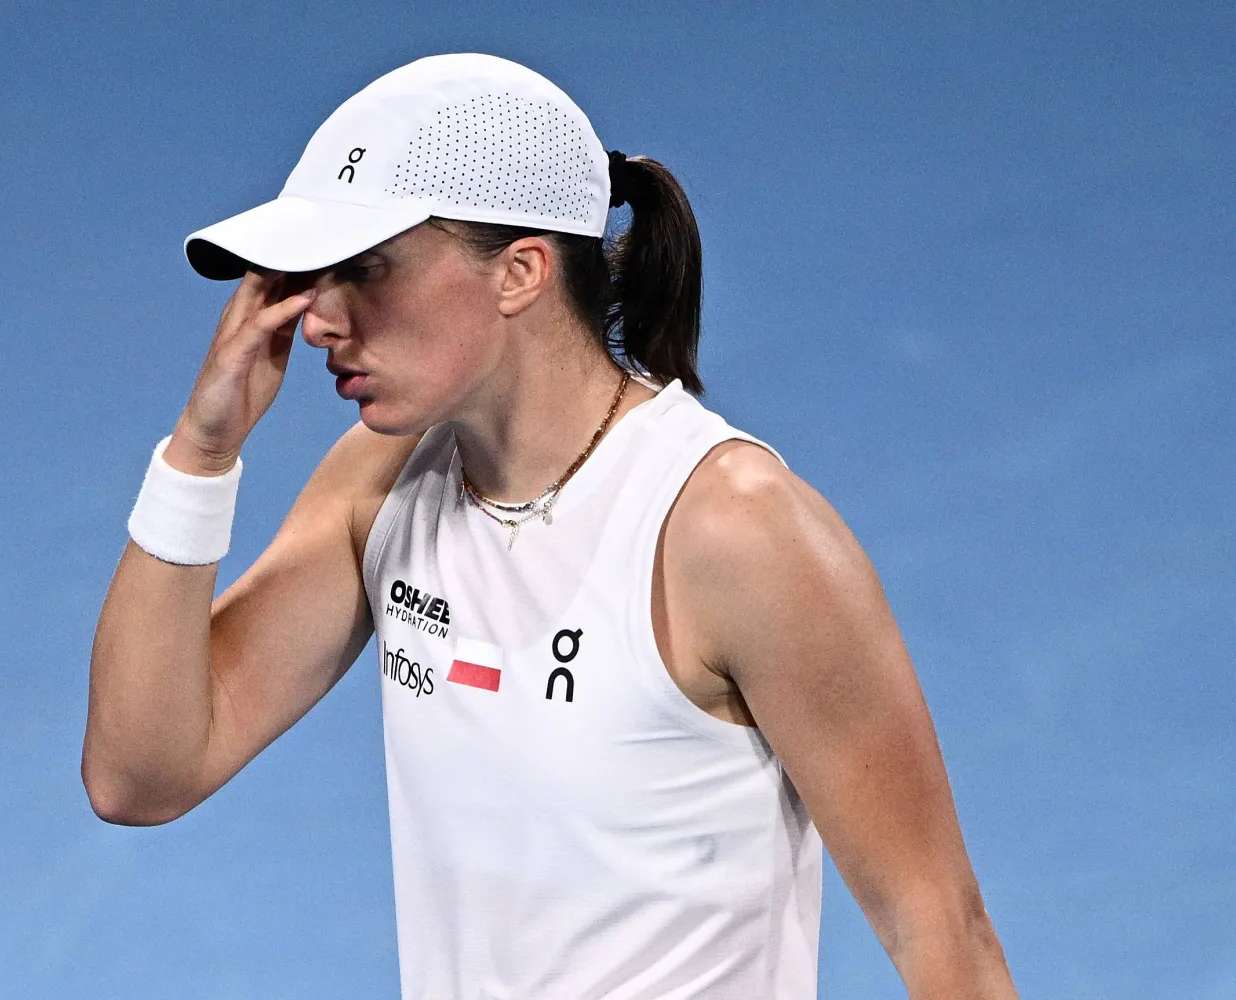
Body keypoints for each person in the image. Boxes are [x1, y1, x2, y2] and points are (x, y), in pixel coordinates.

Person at [82, 52, 1017, 999]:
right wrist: (201, 453)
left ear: (520, 272)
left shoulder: (731, 529)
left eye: (363, 269)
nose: (318, 318)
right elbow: (139, 775)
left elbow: (941, 929)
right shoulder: (381, 484)